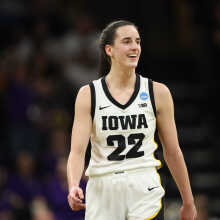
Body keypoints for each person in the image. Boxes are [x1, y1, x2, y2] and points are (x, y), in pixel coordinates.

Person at [67, 20, 197, 220]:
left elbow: (173, 151)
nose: (135, 46)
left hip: (144, 185)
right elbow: (77, 152)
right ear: (109, 49)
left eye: (137, 41)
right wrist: (74, 184)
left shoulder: (158, 92)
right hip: (103, 189)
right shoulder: (89, 94)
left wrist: (188, 201)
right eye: (127, 41)